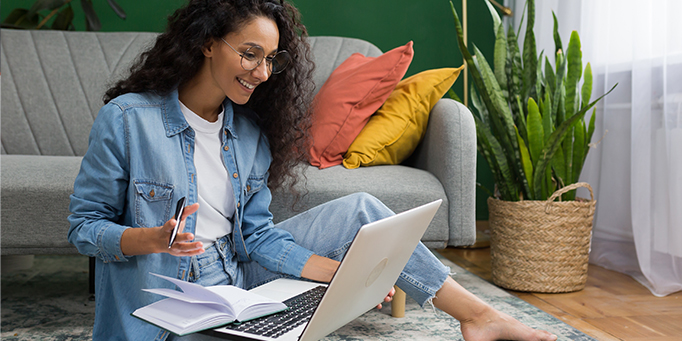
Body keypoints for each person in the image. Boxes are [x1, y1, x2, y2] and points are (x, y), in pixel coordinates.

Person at [67, 0, 558, 340]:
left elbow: (256, 239)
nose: (261, 73)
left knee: (363, 210)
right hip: (164, 289)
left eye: (270, 60)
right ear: (207, 43)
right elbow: (84, 228)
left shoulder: (249, 134)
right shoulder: (130, 119)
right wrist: (146, 239)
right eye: (249, 54)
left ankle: (478, 317)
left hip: (236, 272)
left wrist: (335, 273)